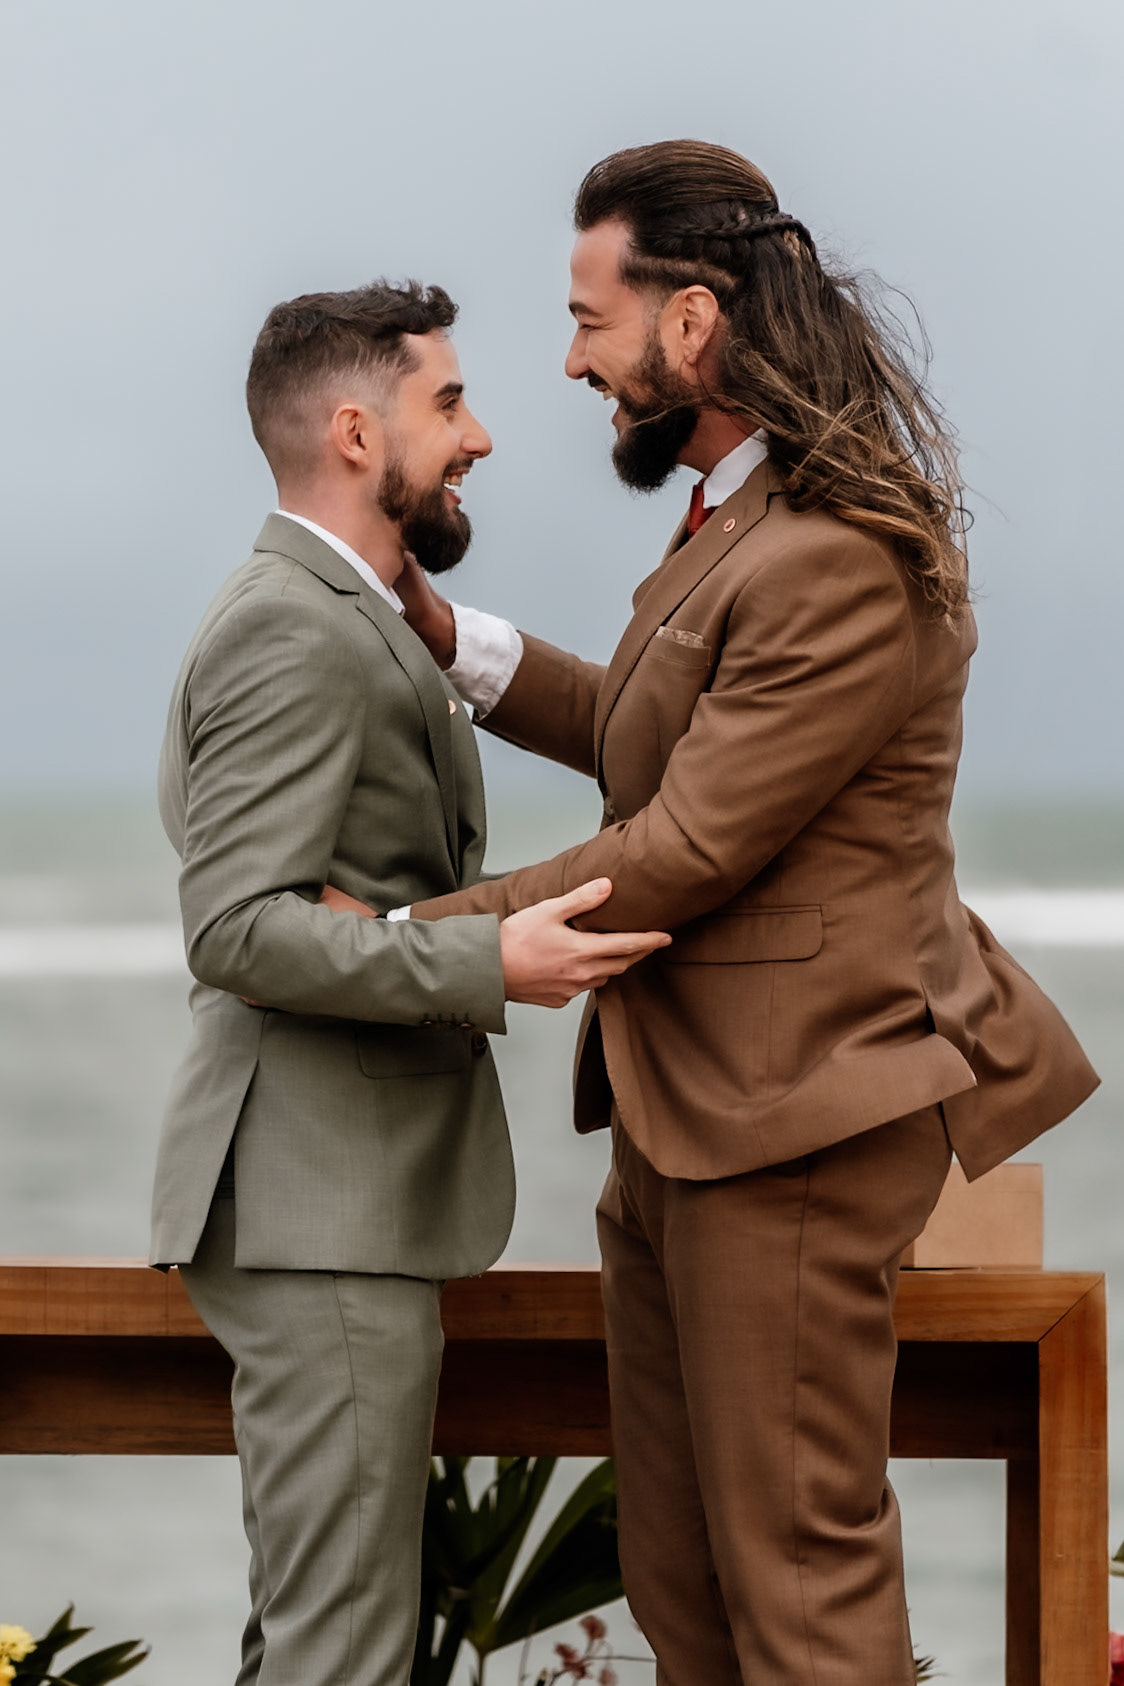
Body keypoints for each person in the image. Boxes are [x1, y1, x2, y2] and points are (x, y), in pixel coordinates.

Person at [386, 143, 1099, 1684]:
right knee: (685, 1584)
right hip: (690, 1116)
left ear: (693, 322)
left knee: (799, 1589)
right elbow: (658, 727)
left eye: (591, 319)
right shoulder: (741, 519)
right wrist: (455, 640)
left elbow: (688, 840)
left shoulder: (836, 552)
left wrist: (407, 941)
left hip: (795, 1126)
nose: (572, 360)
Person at [149, 279, 669, 1686]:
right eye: (449, 402)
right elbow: (237, 929)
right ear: (358, 434)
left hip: (340, 1206)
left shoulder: (346, 608)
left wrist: (394, 923)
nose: (482, 434)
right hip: (320, 1208)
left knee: (319, 1643)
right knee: (343, 1656)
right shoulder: (294, 622)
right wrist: (485, 953)